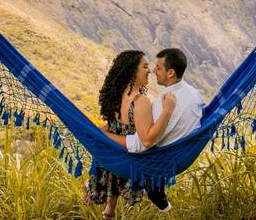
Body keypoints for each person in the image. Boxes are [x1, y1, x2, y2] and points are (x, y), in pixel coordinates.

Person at [103, 48, 205, 212]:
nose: (153, 71)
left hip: (157, 159)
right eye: (147, 67)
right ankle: (114, 207)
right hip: (181, 151)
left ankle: (152, 187)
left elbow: (144, 143)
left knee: (115, 143)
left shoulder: (161, 103)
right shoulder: (195, 94)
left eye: (158, 68)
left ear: (170, 73)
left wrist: (103, 136)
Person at [84, 50, 153, 220]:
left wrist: (99, 134)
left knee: (109, 207)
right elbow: (145, 141)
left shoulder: (115, 95)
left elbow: (114, 126)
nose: (149, 71)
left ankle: (109, 210)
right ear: (132, 71)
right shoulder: (141, 101)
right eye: (145, 67)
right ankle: (109, 210)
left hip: (108, 156)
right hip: (126, 155)